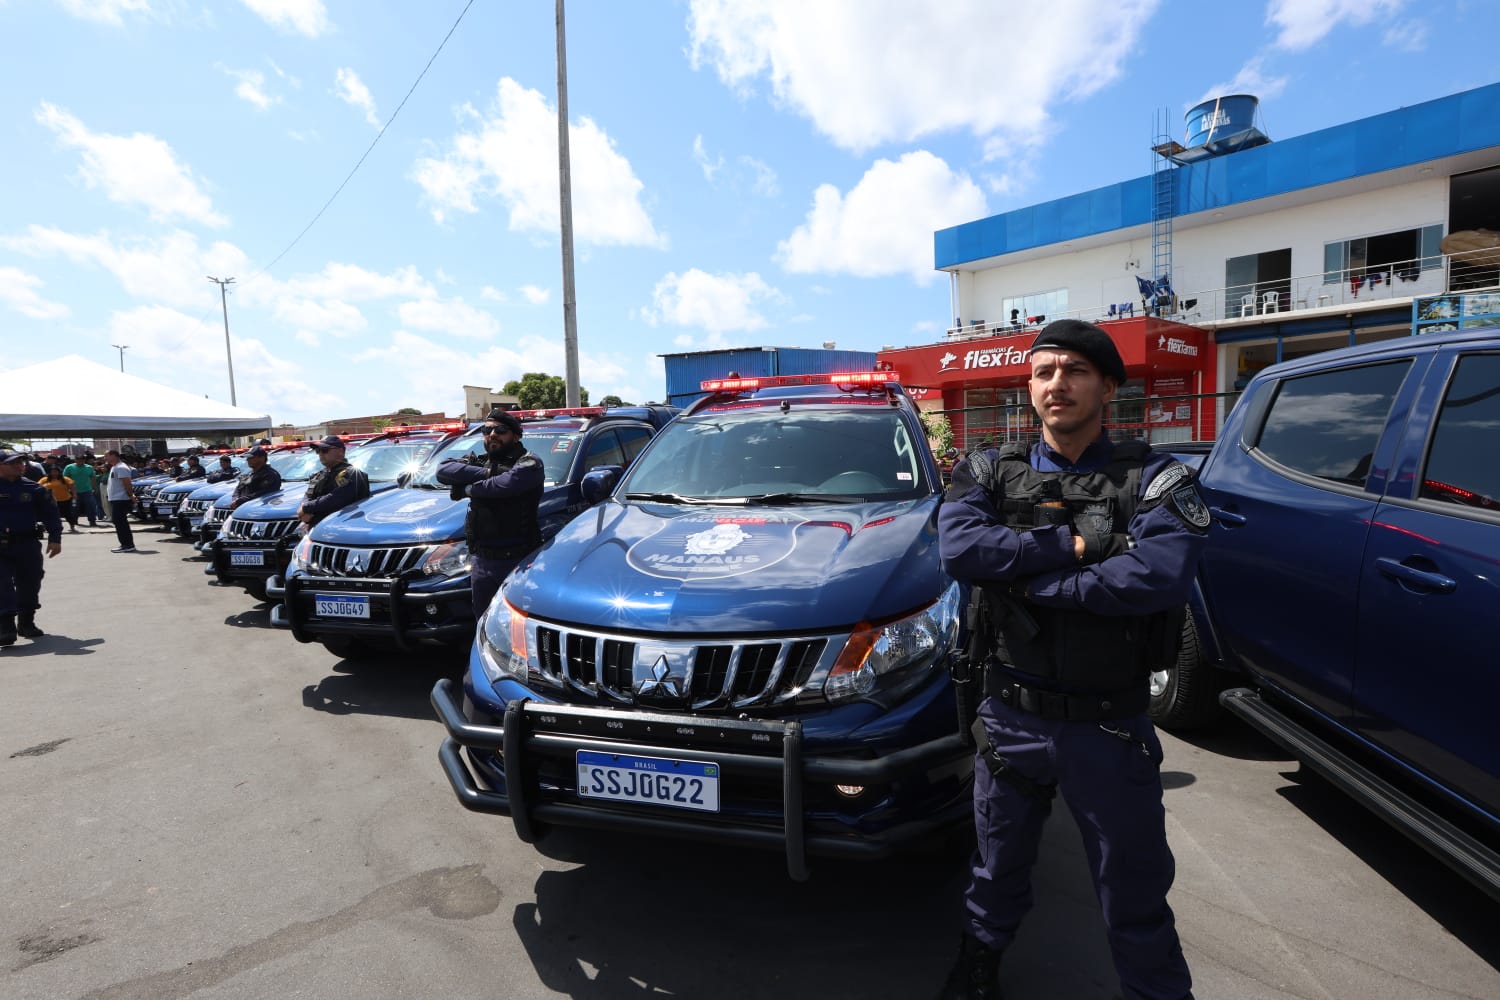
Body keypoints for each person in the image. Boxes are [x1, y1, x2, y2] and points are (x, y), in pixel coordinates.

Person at [935, 320, 1208, 1000]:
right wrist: (1079, 548)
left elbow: (1157, 577)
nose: (1058, 384)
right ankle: (977, 970)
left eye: (1075, 371)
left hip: (1108, 726)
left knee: (1134, 889)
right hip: (1011, 721)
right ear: (1029, 388)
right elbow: (962, 551)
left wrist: (1028, 580)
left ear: (1107, 385)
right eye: (1044, 372)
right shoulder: (986, 470)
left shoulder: (1156, 476)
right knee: (995, 869)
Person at [436, 408, 545, 618]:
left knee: (516, 625)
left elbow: (506, 484)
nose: (492, 434)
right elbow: (443, 470)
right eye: (486, 430)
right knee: (483, 622)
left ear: (515, 435)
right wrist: (488, 472)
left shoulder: (529, 462)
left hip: (518, 561)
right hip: (482, 561)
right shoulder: (481, 461)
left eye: (500, 430)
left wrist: (467, 488)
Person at [0, 450, 63, 646]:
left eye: (21, 462)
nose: (20, 466)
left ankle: (26, 622)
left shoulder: (35, 489)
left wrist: (55, 538)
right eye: (13, 463)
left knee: (30, 581)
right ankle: (6, 626)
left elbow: (51, 513)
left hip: (27, 543)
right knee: (2, 584)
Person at [297, 436, 370, 528]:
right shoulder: (319, 475)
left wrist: (305, 508)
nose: (320, 454)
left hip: (344, 528)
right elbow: (308, 495)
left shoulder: (353, 474)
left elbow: (336, 499)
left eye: (324, 450)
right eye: (318, 451)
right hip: (318, 529)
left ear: (340, 451)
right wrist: (303, 510)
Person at [103, 449, 137, 553]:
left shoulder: (121, 467)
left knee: (120, 522)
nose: (105, 458)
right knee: (119, 522)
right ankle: (125, 544)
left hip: (121, 499)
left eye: (107, 456)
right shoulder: (115, 467)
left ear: (114, 456)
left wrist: (131, 495)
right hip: (116, 499)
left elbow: (127, 483)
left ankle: (128, 545)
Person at [64, 453, 101, 526]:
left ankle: (92, 520)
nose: (80, 461)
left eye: (82, 460)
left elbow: (93, 478)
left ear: (84, 460)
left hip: (87, 490)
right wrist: (67, 488)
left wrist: (95, 488)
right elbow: (65, 478)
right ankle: (74, 521)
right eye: (78, 459)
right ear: (75, 460)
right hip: (74, 491)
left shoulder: (89, 467)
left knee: (90, 506)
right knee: (74, 507)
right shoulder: (69, 467)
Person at [39, 464, 78, 533]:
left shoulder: (65, 479)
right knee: (51, 515)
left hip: (64, 499)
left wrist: (74, 494)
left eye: (56, 471)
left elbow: (72, 486)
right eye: (52, 471)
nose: (54, 473)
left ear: (59, 472)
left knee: (67, 514)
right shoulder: (44, 479)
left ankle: (72, 526)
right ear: (50, 472)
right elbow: (38, 486)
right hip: (50, 501)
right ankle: (50, 527)